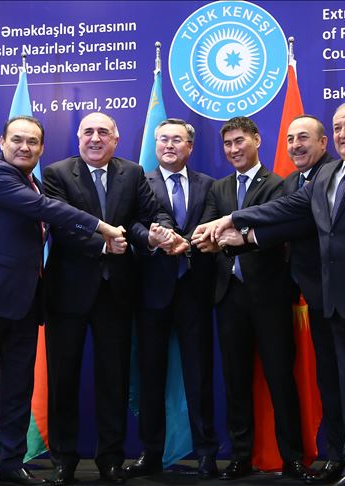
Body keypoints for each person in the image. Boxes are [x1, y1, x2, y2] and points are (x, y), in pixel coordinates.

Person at [195, 102, 345, 486]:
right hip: (334, 302)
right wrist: (234, 220)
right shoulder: (328, 174)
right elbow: (289, 209)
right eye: (337, 128)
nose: (342, 135)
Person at [0, 115, 126, 486]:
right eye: (17, 139)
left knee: (18, 389)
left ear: (42, 148)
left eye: (32, 142)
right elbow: (49, 210)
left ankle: (11, 464)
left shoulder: (31, 181)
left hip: (26, 303)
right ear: (2, 142)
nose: (24, 147)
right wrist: (103, 228)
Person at [41, 112, 185, 485]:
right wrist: (102, 243)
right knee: (63, 379)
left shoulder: (132, 173)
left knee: (114, 379)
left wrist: (160, 233)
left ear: (116, 140)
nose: (95, 138)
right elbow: (62, 222)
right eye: (88, 132)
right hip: (68, 291)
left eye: (103, 132)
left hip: (117, 293)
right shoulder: (57, 173)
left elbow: (150, 215)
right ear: (78, 138)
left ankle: (110, 459)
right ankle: (64, 460)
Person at [195, 116, 308, 480]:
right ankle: (240, 456)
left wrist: (236, 233)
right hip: (229, 296)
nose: (233, 149)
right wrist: (216, 237)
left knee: (280, 379)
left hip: (270, 297)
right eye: (228, 144)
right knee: (236, 380)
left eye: (239, 141)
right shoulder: (219, 188)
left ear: (257, 140)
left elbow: (275, 231)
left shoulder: (279, 184)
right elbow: (208, 233)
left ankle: (293, 457)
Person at [124, 119, 219, 479]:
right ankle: (151, 453)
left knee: (199, 375)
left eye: (176, 139)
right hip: (151, 292)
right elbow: (132, 224)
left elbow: (210, 224)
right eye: (162, 139)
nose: (168, 145)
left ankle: (206, 453)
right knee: (151, 376)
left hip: (195, 291)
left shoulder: (208, 184)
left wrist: (185, 243)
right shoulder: (139, 181)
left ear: (189, 146)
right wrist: (154, 238)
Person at [260, 115, 345, 484]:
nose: (295, 145)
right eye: (290, 138)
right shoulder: (292, 181)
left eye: (304, 138)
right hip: (307, 293)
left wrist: (238, 230)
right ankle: (340, 456)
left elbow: (299, 222)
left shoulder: (335, 174)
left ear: (324, 142)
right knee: (329, 379)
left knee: (344, 380)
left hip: (338, 295)